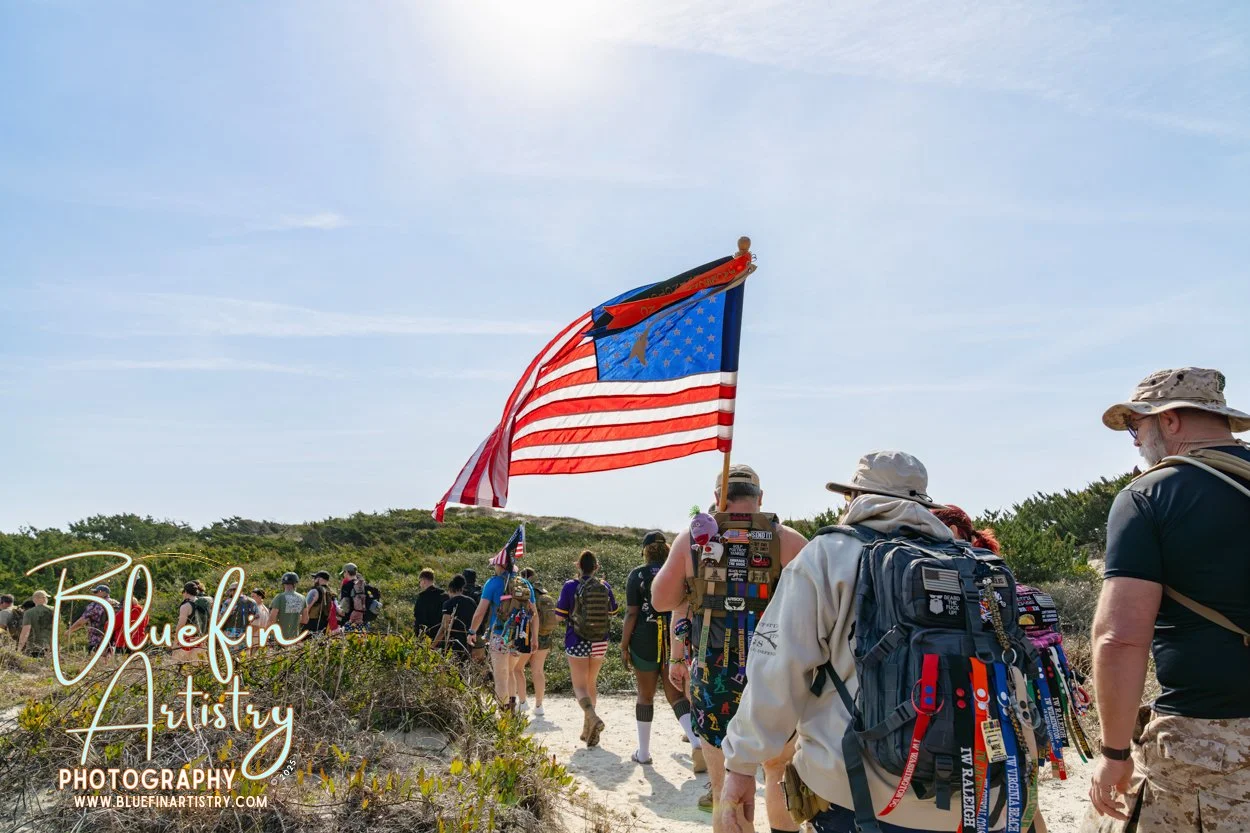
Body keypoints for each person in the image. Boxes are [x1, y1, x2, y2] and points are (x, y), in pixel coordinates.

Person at [718, 452, 983, 833]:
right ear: (922, 503)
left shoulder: (829, 555)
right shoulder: (967, 563)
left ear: (854, 498)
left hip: (855, 794)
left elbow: (778, 667)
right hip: (965, 799)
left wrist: (741, 764)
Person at [1084, 367, 1250, 833]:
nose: (1136, 440)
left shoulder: (1150, 496)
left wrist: (1115, 754)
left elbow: (1119, 639)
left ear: (1170, 420)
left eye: (1137, 426)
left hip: (1211, 746)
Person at [652, 463, 807, 821]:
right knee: (778, 773)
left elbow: (661, 600)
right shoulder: (787, 539)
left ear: (718, 498)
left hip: (713, 674)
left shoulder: (692, 540)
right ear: (760, 498)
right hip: (776, 673)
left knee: (724, 789)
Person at [622, 530, 707, 771]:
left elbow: (631, 613)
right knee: (677, 695)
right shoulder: (675, 573)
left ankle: (644, 753)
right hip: (675, 635)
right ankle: (696, 742)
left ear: (645, 550)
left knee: (645, 695)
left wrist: (623, 645)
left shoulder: (637, 575)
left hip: (644, 638)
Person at [555, 550, 619, 747]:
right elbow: (614, 612)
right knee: (591, 683)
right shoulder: (604, 585)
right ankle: (586, 730)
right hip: (600, 641)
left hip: (577, 640)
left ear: (578, 566)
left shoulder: (570, 586)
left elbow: (559, 616)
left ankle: (592, 717)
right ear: (596, 567)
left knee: (579, 686)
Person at [469, 549, 537, 711]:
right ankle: (512, 712)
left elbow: (480, 612)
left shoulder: (492, 583)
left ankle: (504, 717)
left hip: (499, 635)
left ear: (500, 566)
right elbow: (534, 613)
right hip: (518, 636)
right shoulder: (524, 583)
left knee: (500, 678)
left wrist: (472, 631)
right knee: (511, 672)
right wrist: (533, 637)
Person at [520, 567, 554, 717]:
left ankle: (522, 702)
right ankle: (539, 706)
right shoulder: (544, 593)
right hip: (545, 636)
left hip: (528, 635)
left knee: (517, 668)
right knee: (538, 671)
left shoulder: (524, 591)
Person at [66, 584, 120, 660]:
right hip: (114, 639)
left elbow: (81, 622)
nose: (93, 594)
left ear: (103, 593)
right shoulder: (116, 604)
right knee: (109, 664)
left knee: (93, 664)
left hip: (97, 639)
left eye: (96, 592)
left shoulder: (95, 605)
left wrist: (69, 631)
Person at [433, 573, 477, 665]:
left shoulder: (448, 603)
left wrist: (433, 644)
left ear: (450, 590)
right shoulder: (471, 602)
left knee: (452, 669)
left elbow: (444, 627)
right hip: (468, 642)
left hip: (454, 642)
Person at [339, 564, 382, 633]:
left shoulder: (347, 586)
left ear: (346, 572)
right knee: (362, 641)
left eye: (344, 572)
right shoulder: (364, 585)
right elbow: (376, 595)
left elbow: (345, 605)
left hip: (351, 620)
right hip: (364, 620)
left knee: (350, 641)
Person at [268, 572, 306, 641]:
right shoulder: (302, 598)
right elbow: (305, 620)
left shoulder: (279, 597)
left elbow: (272, 619)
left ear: (283, 584)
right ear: (295, 584)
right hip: (294, 637)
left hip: (279, 637)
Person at [414, 568, 448, 641]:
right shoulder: (444, 595)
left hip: (427, 636)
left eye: (420, 581)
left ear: (423, 581)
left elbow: (419, 618)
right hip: (442, 636)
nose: (420, 584)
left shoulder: (422, 597)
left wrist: (418, 636)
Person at [17, 592, 53, 658]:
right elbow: (57, 630)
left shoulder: (29, 613)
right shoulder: (55, 610)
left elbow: (25, 632)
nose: (46, 599)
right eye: (45, 597)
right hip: (50, 648)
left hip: (33, 647)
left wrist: (19, 649)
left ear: (34, 600)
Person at [462, 568, 487, 663]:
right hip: (479, 629)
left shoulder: (460, 592)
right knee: (479, 660)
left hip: (461, 630)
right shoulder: (480, 592)